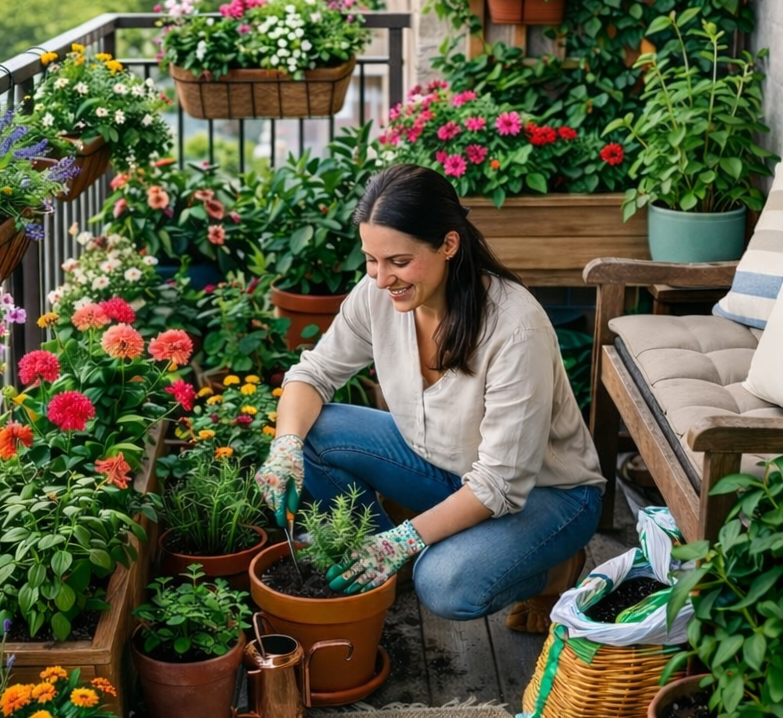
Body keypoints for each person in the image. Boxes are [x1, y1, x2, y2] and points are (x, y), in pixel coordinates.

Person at [255, 163, 605, 633]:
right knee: (312, 432)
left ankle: (555, 571)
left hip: (547, 496)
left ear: (449, 245)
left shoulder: (515, 328)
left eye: (398, 261)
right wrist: (285, 447)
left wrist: (404, 539)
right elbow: (312, 374)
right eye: (371, 259)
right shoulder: (377, 295)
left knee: (443, 584)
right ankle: (380, 562)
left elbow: (500, 484)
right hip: (449, 471)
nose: (382, 278)